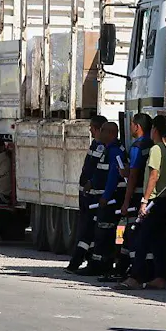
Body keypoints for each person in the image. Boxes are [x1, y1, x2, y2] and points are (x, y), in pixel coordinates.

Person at [116, 115, 166, 291]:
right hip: (164, 200)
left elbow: (153, 175)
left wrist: (144, 201)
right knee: (157, 241)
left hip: (154, 201)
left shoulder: (156, 149)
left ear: (154, 130)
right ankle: (159, 277)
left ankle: (135, 277)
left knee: (141, 238)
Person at [105, 113, 154, 283]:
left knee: (132, 233)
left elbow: (132, 176)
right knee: (144, 234)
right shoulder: (152, 144)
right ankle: (144, 270)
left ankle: (132, 271)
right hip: (151, 196)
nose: (131, 127)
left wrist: (126, 201)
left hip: (138, 196)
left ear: (137, 127)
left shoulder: (137, 147)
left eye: (132, 124)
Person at [65, 115, 108, 274]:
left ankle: (76, 262)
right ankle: (87, 259)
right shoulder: (96, 144)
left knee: (87, 229)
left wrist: (89, 185)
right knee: (86, 227)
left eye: (92, 127)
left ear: (97, 129)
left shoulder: (101, 147)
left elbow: (96, 171)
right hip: (87, 193)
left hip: (93, 195)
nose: (89, 129)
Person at [85, 122, 126, 276]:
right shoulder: (107, 150)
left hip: (110, 202)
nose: (98, 133)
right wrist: (91, 183)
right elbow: (101, 172)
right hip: (104, 200)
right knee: (100, 232)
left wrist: (105, 197)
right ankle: (98, 263)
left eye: (101, 131)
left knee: (106, 234)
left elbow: (113, 177)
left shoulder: (115, 152)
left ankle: (104, 264)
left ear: (110, 133)